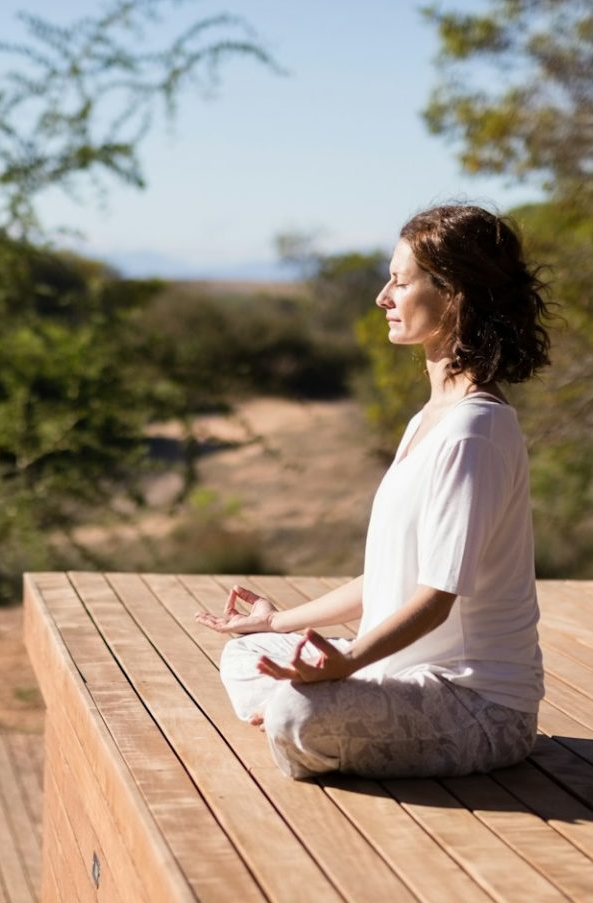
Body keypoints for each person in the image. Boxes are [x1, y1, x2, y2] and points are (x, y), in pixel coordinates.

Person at [193, 203, 551, 780]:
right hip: (396, 678)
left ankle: (321, 719)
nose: (383, 296)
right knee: (247, 653)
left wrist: (348, 661)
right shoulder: (430, 419)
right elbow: (390, 578)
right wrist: (275, 623)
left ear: (454, 295)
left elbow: (436, 597)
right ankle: (337, 716)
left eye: (401, 282)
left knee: (294, 711)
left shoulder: (475, 432)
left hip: (477, 708)